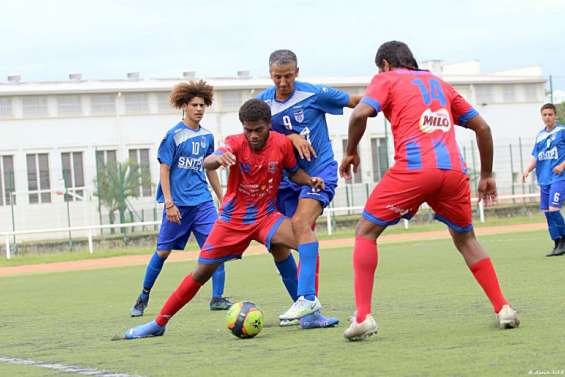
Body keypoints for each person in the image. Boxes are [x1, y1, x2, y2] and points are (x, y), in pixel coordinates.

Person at [339, 41, 520, 341]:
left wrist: (350, 152)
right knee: (466, 240)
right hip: (452, 173)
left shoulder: (386, 78)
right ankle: (503, 308)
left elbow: (359, 114)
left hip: (413, 170)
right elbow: (483, 129)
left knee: (365, 232)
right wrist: (486, 174)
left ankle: (362, 317)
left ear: (384, 64)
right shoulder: (440, 84)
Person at [119, 99, 333, 339]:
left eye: (258, 130)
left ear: (268, 126)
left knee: (306, 238)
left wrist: (309, 180)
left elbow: (294, 173)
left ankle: (308, 307)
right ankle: (158, 323)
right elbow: (209, 160)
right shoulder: (235, 143)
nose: (252, 135)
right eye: (247, 130)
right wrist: (218, 159)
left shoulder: (281, 144)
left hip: (265, 217)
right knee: (201, 273)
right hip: (232, 221)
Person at [256, 49, 361, 328]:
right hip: (284, 180)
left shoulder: (314, 94)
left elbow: (355, 102)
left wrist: (391, 98)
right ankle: (310, 316)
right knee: (277, 245)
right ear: (270, 75)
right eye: (277, 77)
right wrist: (289, 137)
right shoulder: (262, 103)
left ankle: (307, 297)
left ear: (297, 72)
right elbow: (257, 137)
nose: (283, 82)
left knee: (303, 224)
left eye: (288, 76)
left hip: (319, 172)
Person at [130, 80, 232, 317]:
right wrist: (169, 203)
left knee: (216, 248)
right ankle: (144, 295)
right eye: (194, 105)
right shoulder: (173, 136)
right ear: (184, 106)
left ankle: (217, 298)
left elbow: (210, 168)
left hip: (202, 203)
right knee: (163, 253)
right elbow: (164, 170)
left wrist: (221, 196)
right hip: (178, 205)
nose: (199, 109)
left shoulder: (207, 137)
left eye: (202, 105)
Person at [523, 103, 565, 257]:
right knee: (547, 213)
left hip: (559, 178)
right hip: (544, 179)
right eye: (544, 115)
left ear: (555, 115)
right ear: (542, 117)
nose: (547, 117)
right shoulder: (540, 135)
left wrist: (562, 165)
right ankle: (556, 243)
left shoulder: (562, 131)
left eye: (550, 114)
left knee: (554, 209)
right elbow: (537, 157)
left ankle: (564, 240)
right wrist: (528, 169)